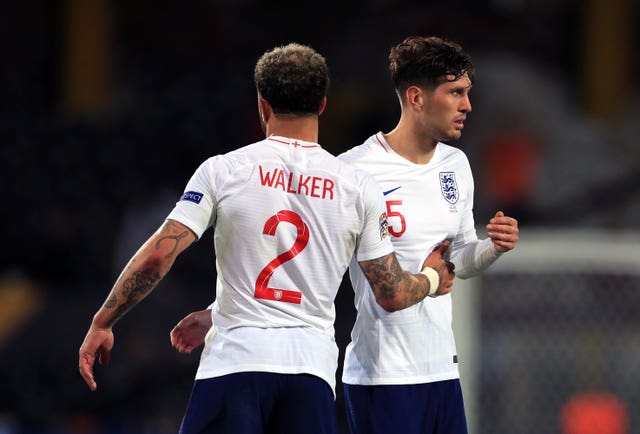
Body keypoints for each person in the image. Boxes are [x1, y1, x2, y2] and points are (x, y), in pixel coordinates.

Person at [78, 42, 456, 434]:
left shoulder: (224, 171)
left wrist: (103, 321)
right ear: (324, 104)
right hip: (310, 374)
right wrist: (430, 278)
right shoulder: (357, 186)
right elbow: (391, 293)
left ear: (262, 105)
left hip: (235, 364)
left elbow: (159, 256)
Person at [170, 37, 519, 434]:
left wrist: (492, 248)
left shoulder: (456, 166)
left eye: (467, 93)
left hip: (442, 370)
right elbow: (301, 256)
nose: (467, 106)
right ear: (417, 97)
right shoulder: (353, 173)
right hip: (382, 375)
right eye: (456, 93)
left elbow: (455, 258)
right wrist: (220, 313)